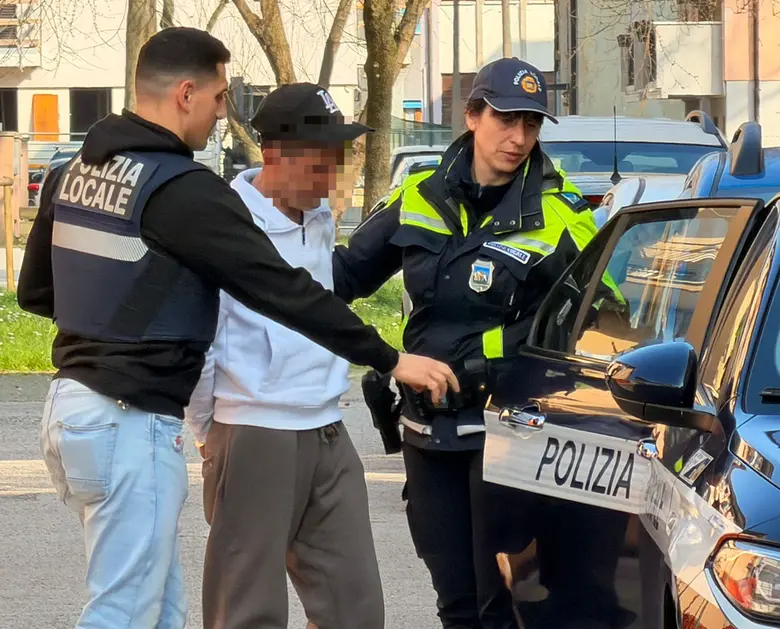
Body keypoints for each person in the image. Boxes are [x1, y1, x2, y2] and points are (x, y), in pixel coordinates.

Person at [17, 27, 457, 629]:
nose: (225, 112)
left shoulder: (78, 170)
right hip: (131, 416)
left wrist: (115, 319)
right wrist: (389, 358)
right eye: (221, 97)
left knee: (158, 609)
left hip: (76, 409)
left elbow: (37, 292)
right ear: (187, 93)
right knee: (125, 611)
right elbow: (282, 291)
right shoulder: (182, 189)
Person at [333, 57, 597, 629]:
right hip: (428, 434)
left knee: (500, 604)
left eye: (531, 124)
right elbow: (341, 277)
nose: (519, 137)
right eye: (506, 120)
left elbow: (596, 321)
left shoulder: (562, 213)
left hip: (509, 431)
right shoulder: (419, 196)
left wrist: (488, 357)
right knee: (454, 600)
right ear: (472, 116)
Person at [184, 83, 385, 629]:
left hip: (326, 428)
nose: (330, 175)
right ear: (273, 152)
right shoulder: (225, 220)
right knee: (247, 610)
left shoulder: (319, 216)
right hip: (253, 428)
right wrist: (210, 432)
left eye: (337, 159)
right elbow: (199, 335)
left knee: (357, 609)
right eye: (319, 160)